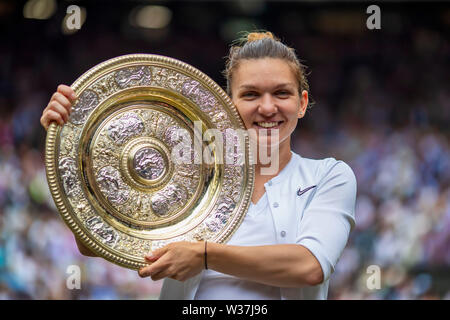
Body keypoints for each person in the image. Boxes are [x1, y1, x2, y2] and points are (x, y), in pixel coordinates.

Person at [40, 31, 357, 300]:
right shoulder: (187, 173)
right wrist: (67, 143)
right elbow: (95, 243)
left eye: (281, 93)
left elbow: (310, 266)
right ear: (229, 105)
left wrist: (204, 255)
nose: (267, 107)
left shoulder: (328, 176)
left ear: (301, 103)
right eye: (250, 94)